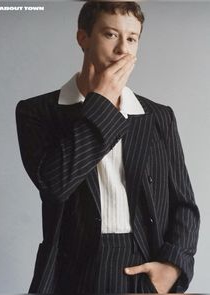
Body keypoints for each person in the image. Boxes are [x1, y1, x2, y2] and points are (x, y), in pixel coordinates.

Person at [15, 1, 200, 294]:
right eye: (110, 34)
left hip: (143, 266)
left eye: (131, 38)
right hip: (70, 272)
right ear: (83, 38)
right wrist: (102, 102)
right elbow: (54, 185)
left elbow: (184, 205)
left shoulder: (158, 116)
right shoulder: (38, 112)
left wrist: (173, 267)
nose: (122, 49)